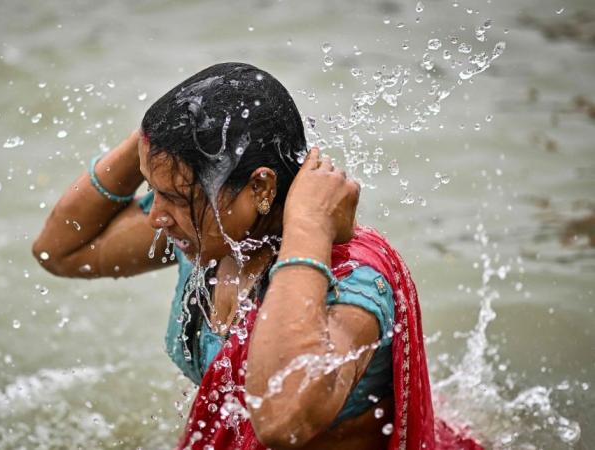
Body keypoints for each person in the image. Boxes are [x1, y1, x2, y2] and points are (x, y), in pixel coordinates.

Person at [33, 62, 482, 449]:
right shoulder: (208, 232)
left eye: (172, 196)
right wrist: (154, 136)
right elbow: (61, 251)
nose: (157, 217)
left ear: (262, 189)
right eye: (155, 192)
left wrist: (307, 228)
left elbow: (281, 421)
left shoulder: (354, 283)